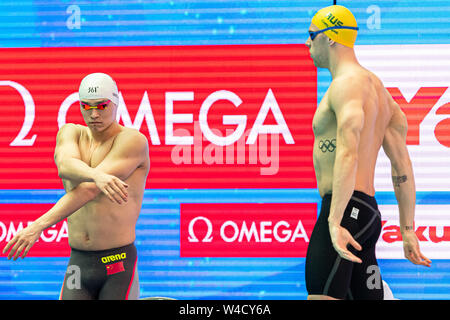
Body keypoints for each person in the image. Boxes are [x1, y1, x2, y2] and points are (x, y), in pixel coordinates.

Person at [303, 5, 431, 300]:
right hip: (368, 214)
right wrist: (407, 229)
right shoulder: (382, 95)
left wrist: (334, 221)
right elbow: (402, 166)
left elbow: (348, 152)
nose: (307, 43)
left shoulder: (346, 85)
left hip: (344, 209)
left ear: (330, 38)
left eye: (312, 35)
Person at [2, 73, 150, 300]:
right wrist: (96, 175)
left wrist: (38, 225)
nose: (93, 114)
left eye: (101, 106)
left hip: (117, 262)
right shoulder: (70, 133)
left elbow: (88, 191)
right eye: (86, 106)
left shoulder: (132, 140)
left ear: (116, 103)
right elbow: (65, 166)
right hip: (79, 261)